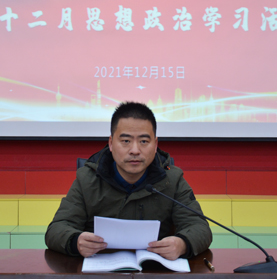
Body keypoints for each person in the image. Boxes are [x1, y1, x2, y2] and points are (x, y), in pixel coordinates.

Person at [45, 101, 212, 260]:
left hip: (154, 269)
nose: (135, 150)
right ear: (111, 143)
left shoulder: (172, 180)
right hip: (100, 270)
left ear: (155, 145)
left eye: (144, 141)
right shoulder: (87, 179)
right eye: (126, 141)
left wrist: (182, 244)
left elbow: (200, 228)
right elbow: (56, 229)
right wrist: (76, 242)